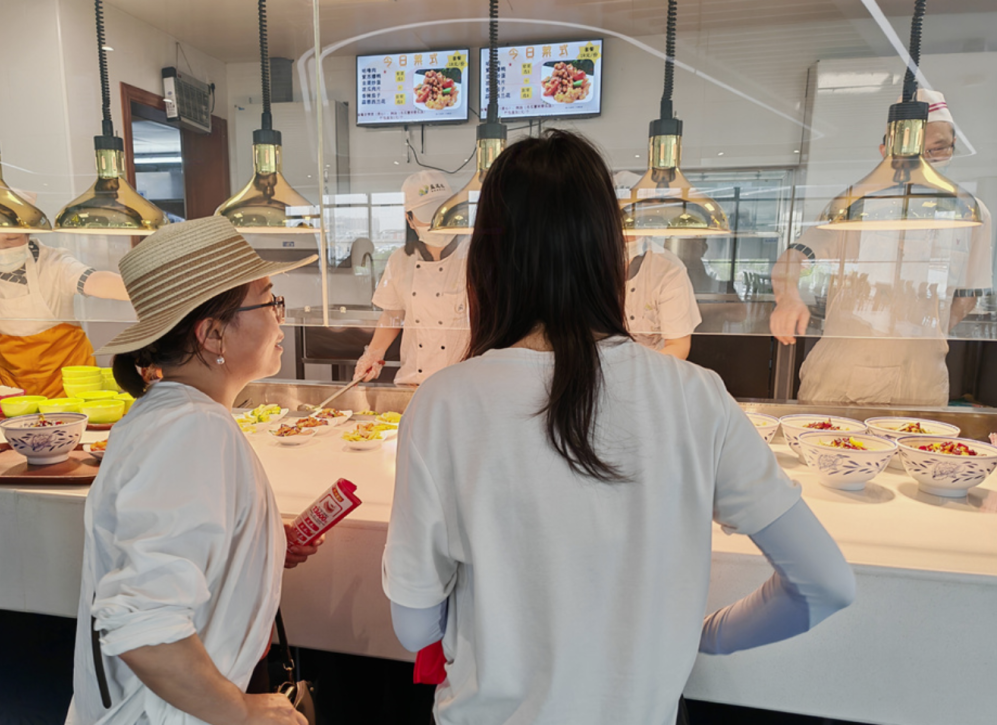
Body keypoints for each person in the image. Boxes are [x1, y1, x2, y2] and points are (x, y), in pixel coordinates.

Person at [382, 130, 855, 725]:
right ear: (610, 252)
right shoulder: (695, 395)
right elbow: (825, 583)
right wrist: (702, 636)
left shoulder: (443, 403)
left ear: (486, 262)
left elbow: (413, 627)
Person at [70, 217, 322, 725]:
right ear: (212, 334)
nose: (281, 319)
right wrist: (240, 711)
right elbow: (142, 620)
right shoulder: (193, 427)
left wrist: (256, 542)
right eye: (270, 301)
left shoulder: (172, 413)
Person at [771, 89, 993, 406]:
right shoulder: (853, 207)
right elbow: (794, 257)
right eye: (912, 152)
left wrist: (918, 334)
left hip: (922, 379)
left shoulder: (970, 212)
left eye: (938, 149)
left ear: (953, 148)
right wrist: (787, 297)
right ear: (885, 151)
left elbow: (968, 294)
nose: (925, 161)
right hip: (843, 373)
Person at [0, 232, 131, 398]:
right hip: (9, 377)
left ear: (27, 235)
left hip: (70, 374)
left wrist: (140, 287)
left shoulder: (54, 261)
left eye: (12, 238)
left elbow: (94, 281)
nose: (1, 248)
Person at [355, 170, 471, 385]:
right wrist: (373, 353)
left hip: (463, 384)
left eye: (442, 212)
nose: (436, 222)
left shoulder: (476, 255)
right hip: (414, 383)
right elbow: (393, 314)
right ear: (409, 219)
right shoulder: (400, 260)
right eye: (428, 215)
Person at [613, 171, 701, 360]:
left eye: (633, 217)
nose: (626, 227)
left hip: (652, 369)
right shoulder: (584, 265)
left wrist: (639, 372)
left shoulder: (668, 270)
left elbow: (678, 346)